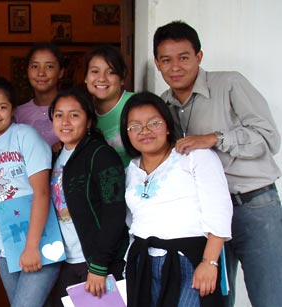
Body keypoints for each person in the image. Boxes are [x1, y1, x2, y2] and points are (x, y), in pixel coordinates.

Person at [153, 21, 282, 307]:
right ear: (157, 64)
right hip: (206, 216)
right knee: (217, 299)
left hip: (253, 207)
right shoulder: (163, 103)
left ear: (199, 57)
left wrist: (214, 138)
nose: (175, 67)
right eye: (166, 60)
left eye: (184, 57)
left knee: (269, 296)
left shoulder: (229, 84)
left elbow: (269, 138)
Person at [120, 92, 232, 307]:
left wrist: (210, 262)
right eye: (135, 126)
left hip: (188, 260)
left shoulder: (194, 157)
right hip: (143, 263)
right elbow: (132, 222)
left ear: (168, 125)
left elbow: (219, 210)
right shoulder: (130, 170)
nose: (144, 131)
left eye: (153, 123)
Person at [0, 77, 60, 307]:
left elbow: (42, 192)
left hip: (41, 240)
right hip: (4, 243)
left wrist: (32, 247)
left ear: (13, 110)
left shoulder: (25, 136)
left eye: (2, 107)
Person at [48, 88, 128, 306]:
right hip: (66, 261)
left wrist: (99, 266)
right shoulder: (55, 155)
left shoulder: (102, 155)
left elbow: (115, 212)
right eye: (58, 115)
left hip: (94, 263)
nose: (65, 122)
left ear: (89, 121)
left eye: (74, 115)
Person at [84, 45, 134, 165]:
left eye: (111, 72)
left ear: (122, 78)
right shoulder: (83, 110)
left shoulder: (136, 105)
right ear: (85, 77)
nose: (101, 79)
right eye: (95, 71)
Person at [14, 42, 65, 152]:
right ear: (27, 70)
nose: (41, 73)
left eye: (49, 66)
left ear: (61, 72)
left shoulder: (72, 109)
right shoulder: (18, 114)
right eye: (35, 66)